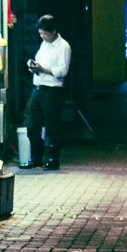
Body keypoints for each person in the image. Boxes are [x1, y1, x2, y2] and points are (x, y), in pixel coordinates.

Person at [27, 14, 73, 168]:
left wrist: (43, 69)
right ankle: (36, 158)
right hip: (38, 87)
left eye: (45, 34)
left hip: (53, 90)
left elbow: (63, 70)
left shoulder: (64, 46)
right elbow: (40, 63)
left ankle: (53, 159)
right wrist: (34, 68)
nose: (43, 37)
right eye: (41, 34)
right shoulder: (44, 45)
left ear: (53, 31)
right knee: (33, 123)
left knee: (52, 125)